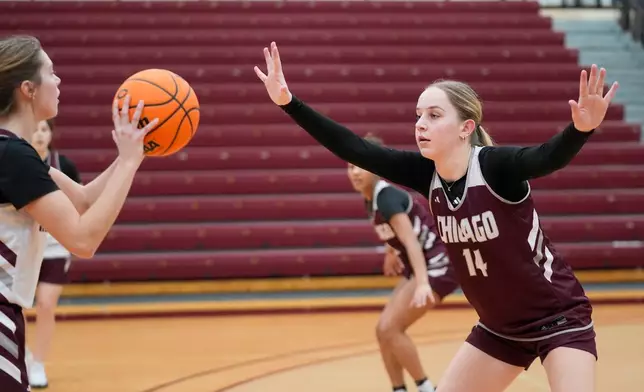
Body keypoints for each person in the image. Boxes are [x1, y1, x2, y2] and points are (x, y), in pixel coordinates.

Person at [255, 41, 619, 392]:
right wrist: (290, 103)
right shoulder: (425, 174)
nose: (420, 124)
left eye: (433, 115)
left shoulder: (495, 167)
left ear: (466, 128)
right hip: (499, 328)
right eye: (418, 116)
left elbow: (546, 157)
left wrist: (580, 130)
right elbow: (356, 148)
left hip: (558, 319)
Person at [0, 35, 158, 391]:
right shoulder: (13, 158)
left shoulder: (18, 154)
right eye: (51, 73)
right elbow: (84, 239)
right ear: (27, 88)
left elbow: (83, 200)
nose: (58, 82)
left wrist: (134, 153)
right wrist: (130, 163)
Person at [347, 133, 458, 392]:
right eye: (351, 166)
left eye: (360, 166)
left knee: (391, 328)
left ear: (374, 166)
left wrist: (422, 284)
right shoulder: (371, 198)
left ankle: (426, 387)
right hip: (421, 265)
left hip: (435, 264)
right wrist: (389, 253)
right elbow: (397, 233)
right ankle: (399, 388)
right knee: (382, 330)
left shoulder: (385, 197)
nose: (355, 172)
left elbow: (411, 242)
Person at [25, 119, 81, 388]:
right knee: (16, 306)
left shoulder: (64, 166)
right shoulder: (14, 162)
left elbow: (79, 205)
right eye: (35, 128)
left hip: (54, 247)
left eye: (44, 129)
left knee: (46, 305)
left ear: (51, 135)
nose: (38, 133)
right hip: (22, 246)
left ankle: (38, 363)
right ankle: (21, 354)